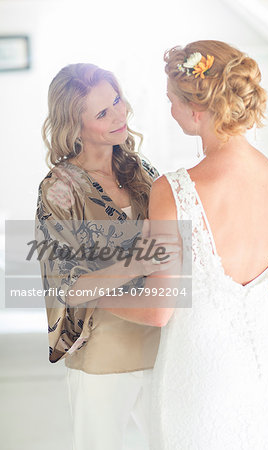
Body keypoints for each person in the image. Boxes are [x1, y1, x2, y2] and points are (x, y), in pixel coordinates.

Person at [96, 40, 268, 449]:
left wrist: (88, 293)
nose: (169, 110)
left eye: (172, 100)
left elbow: (157, 309)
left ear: (197, 109)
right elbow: (266, 294)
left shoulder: (175, 189)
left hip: (200, 378)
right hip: (266, 372)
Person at [35, 63, 179, 450]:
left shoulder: (141, 168)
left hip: (161, 344)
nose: (120, 115)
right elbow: (67, 286)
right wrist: (141, 261)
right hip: (101, 355)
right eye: (102, 113)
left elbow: (178, 236)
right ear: (75, 127)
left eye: (116, 101)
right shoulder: (59, 191)